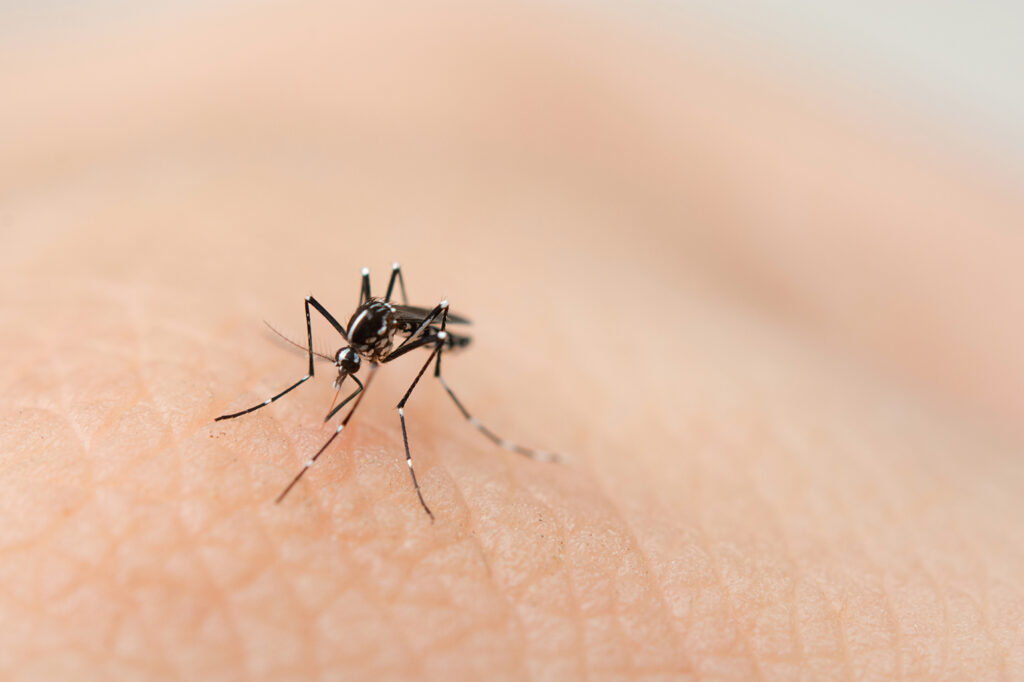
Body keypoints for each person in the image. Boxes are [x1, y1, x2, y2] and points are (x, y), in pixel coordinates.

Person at [1, 2, 1022, 679]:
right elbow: (347, 331)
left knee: (394, 360)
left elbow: (386, 340)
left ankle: (430, 434)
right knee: (348, 304)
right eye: (346, 359)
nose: (346, 366)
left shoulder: (396, 345)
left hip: (437, 327)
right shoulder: (345, 329)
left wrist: (393, 395)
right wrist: (305, 379)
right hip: (400, 306)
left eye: (350, 361)